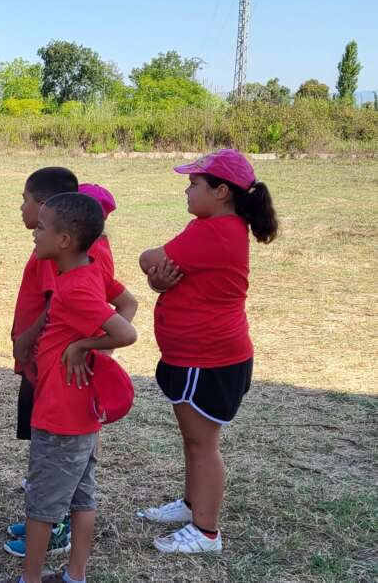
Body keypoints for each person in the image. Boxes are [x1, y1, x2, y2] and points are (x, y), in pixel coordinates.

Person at [137, 150, 278, 554]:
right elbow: (165, 275)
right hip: (199, 356)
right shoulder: (216, 227)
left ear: (220, 191)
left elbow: (150, 259)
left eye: (194, 183)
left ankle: (206, 531)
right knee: (194, 441)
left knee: (203, 445)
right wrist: (159, 283)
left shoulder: (212, 232)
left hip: (208, 358)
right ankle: (191, 505)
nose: (187, 188)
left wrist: (155, 273)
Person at [4, 172, 136, 559]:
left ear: (64, 240)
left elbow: (125, 332)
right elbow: (125, 302)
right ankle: (75, 573)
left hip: (59, 411)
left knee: (43, 505)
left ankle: (30, 575)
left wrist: (84, 345)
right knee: (82, 497)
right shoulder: (89, 268)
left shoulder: (73, 287)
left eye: (41, 227)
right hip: (79, 410)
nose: (35, 234)